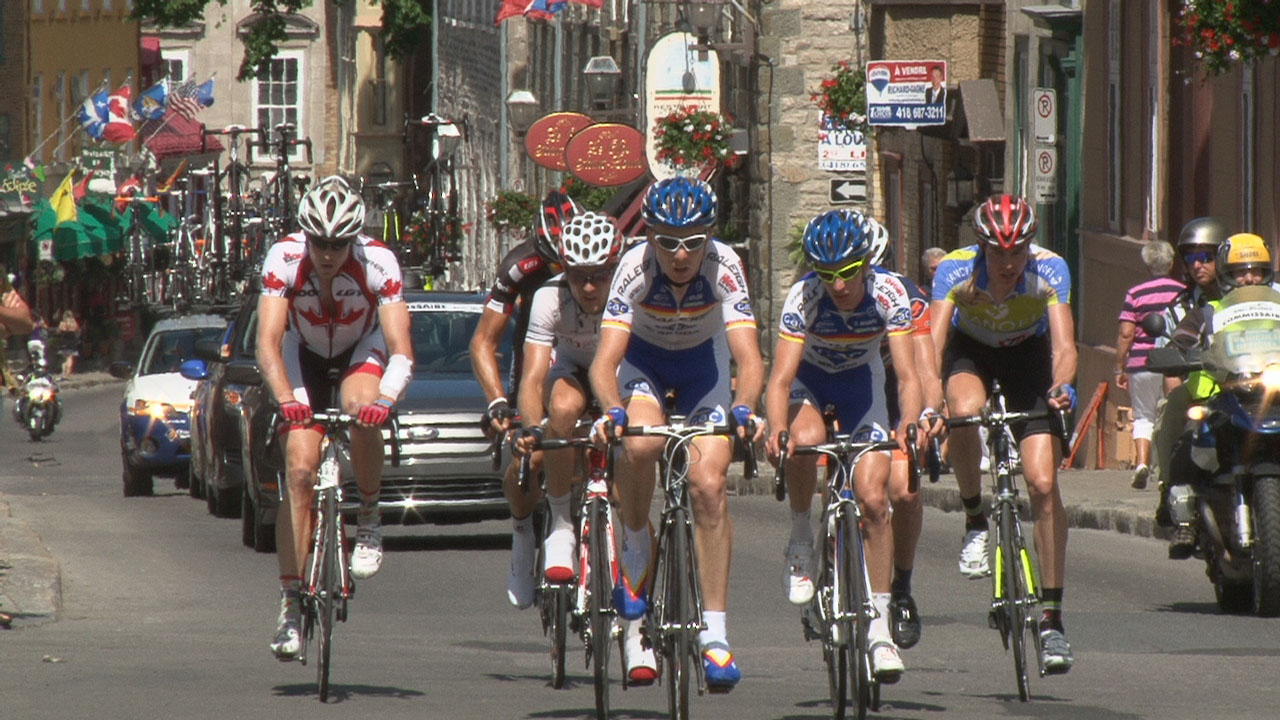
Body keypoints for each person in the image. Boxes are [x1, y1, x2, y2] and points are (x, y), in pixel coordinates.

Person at [589, 176, 766, 692]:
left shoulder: (725, 265)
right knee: (641, 442)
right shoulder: (633, 268)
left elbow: (749, 356)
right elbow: (605, 362)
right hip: (643, 363)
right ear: (650, 238)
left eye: (693, 240)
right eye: (667, 240)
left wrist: (744, 407)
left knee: (709, 486)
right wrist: (613, 411)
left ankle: (715, 635)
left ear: (710, 236)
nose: (681, 254)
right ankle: (637, 544)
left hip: (701, 367)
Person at [256, 176, 415, 660]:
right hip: (300, 353)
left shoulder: (378, 262)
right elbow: (266, 343)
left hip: (358, 352)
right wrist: (285, 399)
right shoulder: (283, 258)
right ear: (306, 236)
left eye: (338, 243)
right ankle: (288, 602)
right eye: (319, 242)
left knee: (360, 410)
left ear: (353, 238)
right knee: (300, 469)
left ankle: (368, 514)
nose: (327, 253)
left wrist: (385, 399)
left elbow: (401, 350)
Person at [764, 209, 926, 683]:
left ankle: (880, 630)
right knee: (806, 442)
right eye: (827, 274)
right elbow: (780, 380)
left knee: (875, 499)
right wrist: (778, 429)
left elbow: (909, 375)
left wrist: (910, 422)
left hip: (861, 383)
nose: (838, 285)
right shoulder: (805, 296)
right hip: (810, 383)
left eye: (848, 273)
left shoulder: (889, 294)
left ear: (865, 265)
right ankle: (800, 537)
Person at [510, 211, 660, 684]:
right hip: (573, 373)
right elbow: (533, 375)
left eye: (599, 276)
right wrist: (533, 430)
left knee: (632, 496)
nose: (590, 287)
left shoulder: (633, 294)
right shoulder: (548, 298)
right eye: (579, 276)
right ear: (564, 270)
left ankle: (638, 628)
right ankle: (560, 523)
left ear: (616, 268)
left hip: (624, 377)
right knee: (559, 408)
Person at [930, 194, 1078, 674]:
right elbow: (932, 345)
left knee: (1041, 484)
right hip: (971, 350)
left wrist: (1061, 387)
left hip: (1028, 359)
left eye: (1018, 253)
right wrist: (931, 402)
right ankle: (975, 519)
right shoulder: (955, 271)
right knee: (965, 410)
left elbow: (1065, 346)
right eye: (999, 253)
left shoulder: (1050, 269)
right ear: (982, 248)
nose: (1010, 263)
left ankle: (1052, 622)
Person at [468, 189, 579, 609]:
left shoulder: (599, 259)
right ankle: (522, 532)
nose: (564, 272)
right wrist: (498, 402)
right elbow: (483, 341)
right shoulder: (520, 265)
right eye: (555, 264)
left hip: (581, 353)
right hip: (533, 354)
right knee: (528, 457)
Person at [867, 227, 946, 651]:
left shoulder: (908, 298)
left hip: (898, 391)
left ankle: (901, 586)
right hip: (849, 388)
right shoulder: (827, 294)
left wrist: (929, 413)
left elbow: (927, 373)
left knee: (905, 492)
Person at [1151, 217, 1227, 557]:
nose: (1198, 264)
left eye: (1206, 256)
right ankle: (1176, 501)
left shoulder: (1248, 294)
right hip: (1202, 391)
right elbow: (1172, 353)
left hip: (1250, 387)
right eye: (1191, 257)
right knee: (1168, 416)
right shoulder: (1180, 306)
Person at [1114, 241, 1184, 489]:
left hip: (1141, 363)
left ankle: (1142, 463)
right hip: (1174, 362)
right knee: (1173, 414)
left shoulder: (1135, 294)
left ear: (1147, 265)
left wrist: (1119, 366)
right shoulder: (1182, 292)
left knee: (1144, 416)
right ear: (1171, 263)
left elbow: (1126, 333)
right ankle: (1168, 466)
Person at [56, 309, 82, 376]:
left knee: (64, 358)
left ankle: (63, 372)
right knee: (70, 357)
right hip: (72, 341)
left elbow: (58, 331)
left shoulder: (63, 323)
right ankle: (68, 372)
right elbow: (78, 331)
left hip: (64, 341)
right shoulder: (74, 323)